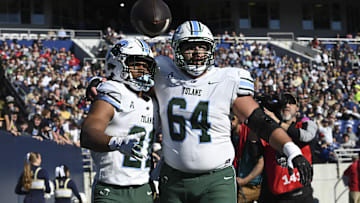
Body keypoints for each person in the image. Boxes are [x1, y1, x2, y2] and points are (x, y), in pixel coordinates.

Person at [154, 20, 312, 203]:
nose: (197, 52)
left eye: (202, 47)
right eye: (190, 46)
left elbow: (258, 120)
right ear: (177, 49)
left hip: (216, 180)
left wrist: (291, 149)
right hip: (174, 178)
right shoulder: (163, 72)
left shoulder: (226, 79)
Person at [80, 38, 158, 203]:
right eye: (137, 64)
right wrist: (116, 142)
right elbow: (88, 134)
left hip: (143, 188)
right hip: (111, 189)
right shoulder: (113, 92)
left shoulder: (153, 99)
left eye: (146, 66)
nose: (143, 70)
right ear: (117, 64)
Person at [259, 93, 317, 203]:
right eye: (284, 103)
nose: (287, 105)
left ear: (297, 108)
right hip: (276, 195)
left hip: (302, 194)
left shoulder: (306, 124)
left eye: (291, 103)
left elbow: (306, 136)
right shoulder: (269, 129)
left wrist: (276, 121)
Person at [232, 115, 264, 203]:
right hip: (234, 184)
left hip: (251, 185)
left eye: (232, 118)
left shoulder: (250, 135)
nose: (230, 121)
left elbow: (261, 163)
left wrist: (245, 180)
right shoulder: (227, 136)